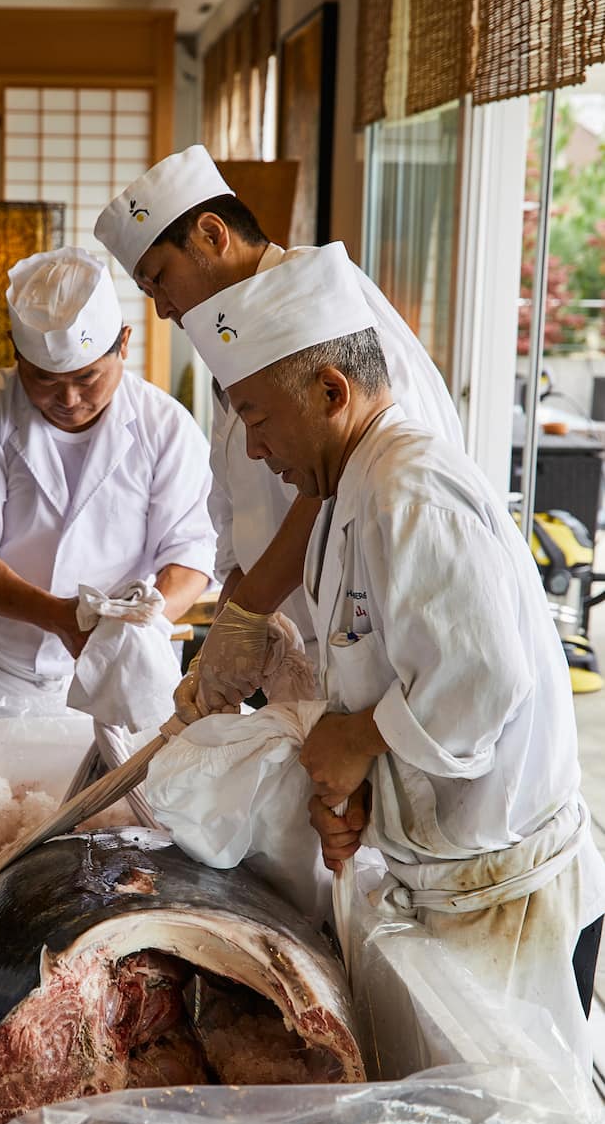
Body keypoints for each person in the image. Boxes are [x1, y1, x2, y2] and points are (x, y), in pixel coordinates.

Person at [180, 241, 605, 1068]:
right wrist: (362, 787)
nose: (256, 451)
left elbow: (481, 683)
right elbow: (393, 668)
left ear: (331, 391)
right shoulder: (349, 491)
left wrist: (358, 739)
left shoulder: (409, 487)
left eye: (259, 420)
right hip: (447, 878)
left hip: (508, 901)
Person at [94, 144, 463, 662]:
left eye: (159, 279)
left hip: (369, 638)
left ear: (212, 234)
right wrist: (232, 609)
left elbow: (346, 466)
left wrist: (250, 606)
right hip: (297, 644)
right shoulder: (230, 339)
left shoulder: (328, 308)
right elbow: (235, 496)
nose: (162, 308)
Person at [0, 245, 215, 728]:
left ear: (123, 344)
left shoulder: (165, 426)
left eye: (87, 377)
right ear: (14, 353)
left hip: (122, 663)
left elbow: (191, 550)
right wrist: (59, 616)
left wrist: (142, 625)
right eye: (43, 380)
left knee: (118, 778)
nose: (69, 398)